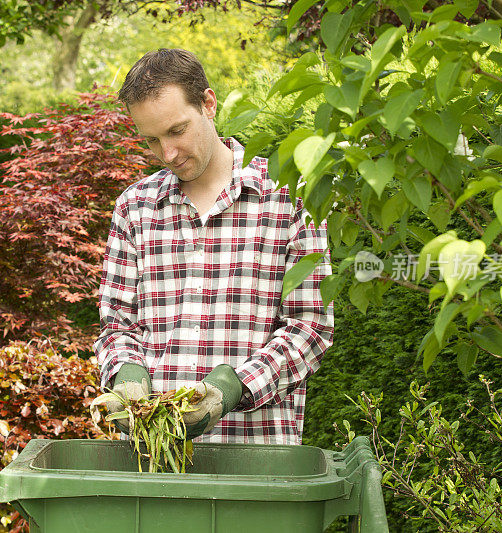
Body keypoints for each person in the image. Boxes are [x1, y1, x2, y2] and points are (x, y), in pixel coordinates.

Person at [94, 48, 333, 445]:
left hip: (255, 458)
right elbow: (117, 325)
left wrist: (234, 387)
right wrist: (125, 373)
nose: (167, 154)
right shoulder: (134, 207)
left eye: (176, 131)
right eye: (151, 140)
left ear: (208, 103)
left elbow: (311, 326)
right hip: (154, 457)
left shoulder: (292, 197)